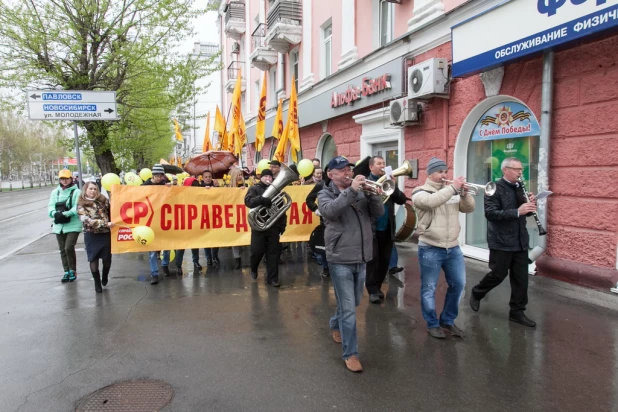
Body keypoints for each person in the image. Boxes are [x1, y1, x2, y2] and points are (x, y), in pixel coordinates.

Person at [318, 156, 384, 372]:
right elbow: (330, 211)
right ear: (331, 174)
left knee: (354, 301)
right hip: (340, 259)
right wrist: (352, 190)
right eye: (342, 170)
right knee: (348, 308)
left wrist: (374, 195)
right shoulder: (324, 193)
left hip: (362, 255)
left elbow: (379, 214)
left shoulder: (360, 190)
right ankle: (351, 354)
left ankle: (335, 323)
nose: (348, 172)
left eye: (349, 169)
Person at [469, 157, 538, 328]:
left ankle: (517, 311)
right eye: (517, 169)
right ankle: (477, 292)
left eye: (521, 170)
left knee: (521, 278)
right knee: (498, 274)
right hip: (501, 240)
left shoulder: (520, 188)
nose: (521, 173)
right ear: (506, 169)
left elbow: (523, 214)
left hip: (520, 239)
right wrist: (517, 211)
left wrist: (530, 207)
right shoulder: (493, 188)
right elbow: (491, 214)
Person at [412, 157, 475, 339]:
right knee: (429, 288)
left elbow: (469, 208)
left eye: (445, 171)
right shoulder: (420, 191)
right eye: (440, 172)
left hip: (453, 247)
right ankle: (432, 323)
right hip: (430, 246)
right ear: (430, 173)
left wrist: (464, 194)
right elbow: (431, 202)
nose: (444, 175)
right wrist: (453, 188)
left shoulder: (452, 191)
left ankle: (447, 320)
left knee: (459, 284)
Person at [365, 156, 407, 304]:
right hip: (372, 228)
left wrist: (393, 186)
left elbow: (402, 199)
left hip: (387, 228)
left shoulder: (388, 183)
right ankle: (371, 290)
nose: (382, 166)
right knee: (372, 260)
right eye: (379, 163)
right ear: (371, 167)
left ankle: (377, 287)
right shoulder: (366, 182)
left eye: (383, 163)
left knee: (384, 261)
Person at [244, 169, 286, 287]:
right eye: (265, 176)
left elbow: (282, 209)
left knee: (273, 253)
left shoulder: (277, 190)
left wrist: (283, 225)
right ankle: (254, 267)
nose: (268, 178)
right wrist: (261, 200)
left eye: (270, 176)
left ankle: (272, 279)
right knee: (257, 251)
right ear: (260, 178)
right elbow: (248, 202)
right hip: (258, 226)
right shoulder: (254, 188)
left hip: (273, 226)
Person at [77, 181, 114, 293]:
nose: (93, 191)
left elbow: (112, 211)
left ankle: (105, 275)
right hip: (91, 235)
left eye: (95, 189)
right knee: (93, 259)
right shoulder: (81, 204)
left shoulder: (103, 201)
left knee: (107, 258)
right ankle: (97, 283)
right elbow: (86, 220)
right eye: (90, 188)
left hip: (105, 234)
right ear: (85, 190)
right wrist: (104, 223)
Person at [48, 169, 82, 283]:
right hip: (59, 225)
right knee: (62, 249)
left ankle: (73, 270)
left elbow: (76, 207)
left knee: (68, 247)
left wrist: (66, 213)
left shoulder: (77, 192)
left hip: (73, 224)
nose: (65, 181)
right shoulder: (55, 192)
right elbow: (51, 206)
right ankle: (66, 271)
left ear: (71, 178)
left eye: (67, 178)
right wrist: (54, 213)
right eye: (62, 179)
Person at [142, 164, 172, 284]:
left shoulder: (165, 185)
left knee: (167, 246)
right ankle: (154, 273)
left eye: (161, 175)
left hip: (164, 220)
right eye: (157, 175)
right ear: (153, 175)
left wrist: (171, 188)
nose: (159, 177)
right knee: (152, 249)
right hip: (151, 221)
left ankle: (165, 265)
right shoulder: (144, 186)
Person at [174, 176, 202, 275]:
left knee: (195, 245)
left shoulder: (198, 196)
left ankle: (196, 261)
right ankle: (178, 265)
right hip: (183, 224)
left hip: (194, 224)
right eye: (192, 186)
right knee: (181, 246)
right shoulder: (180, 196)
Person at [306, 166, 329, 276]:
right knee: (324, 243)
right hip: (325, 220)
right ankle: (325, 268)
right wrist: (315, 209)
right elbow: (309, 199)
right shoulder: (321, 185)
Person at [200, 170, 221, 266]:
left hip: (215, 215)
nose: (208, 178)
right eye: (206, 177)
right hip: (204, 216)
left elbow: (222, 196)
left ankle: (215, 256)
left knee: (216, 237)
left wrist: (216, 188)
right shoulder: (198, 188)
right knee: (206, 239)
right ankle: (208, 258)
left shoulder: (216, 186)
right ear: (202, 178)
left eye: (209, 176)